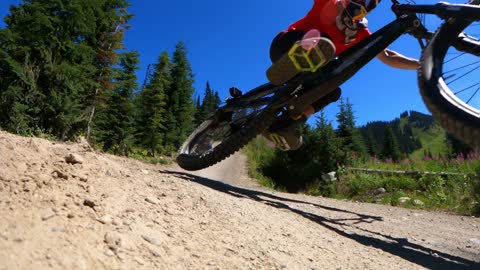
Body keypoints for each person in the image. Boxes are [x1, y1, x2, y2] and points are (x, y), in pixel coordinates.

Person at [263, 0, 420, 151]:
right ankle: (297, 61)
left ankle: (286, 123)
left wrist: (421, 64)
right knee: (320, 44)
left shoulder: (360, 32)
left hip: (309, 73)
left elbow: (387, 56)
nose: (362, 5)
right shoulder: (329, 2)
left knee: (332, 91)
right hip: (284, 46)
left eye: (369, 4)